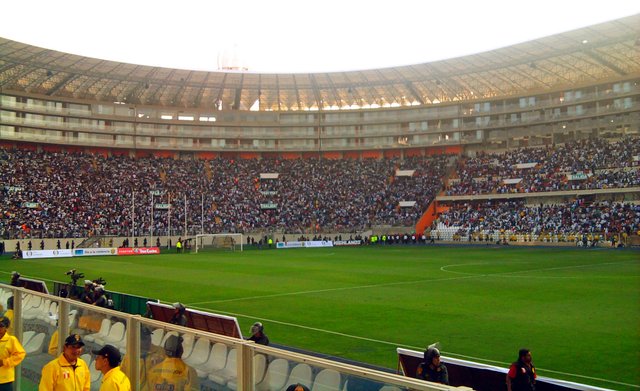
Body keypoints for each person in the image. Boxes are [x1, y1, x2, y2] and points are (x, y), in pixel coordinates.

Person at [0, 316, 26, 391]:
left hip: (4, 380)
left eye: (1, 326)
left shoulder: (11, 340)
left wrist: (4, 362)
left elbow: (20, 354)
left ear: (6, 328)